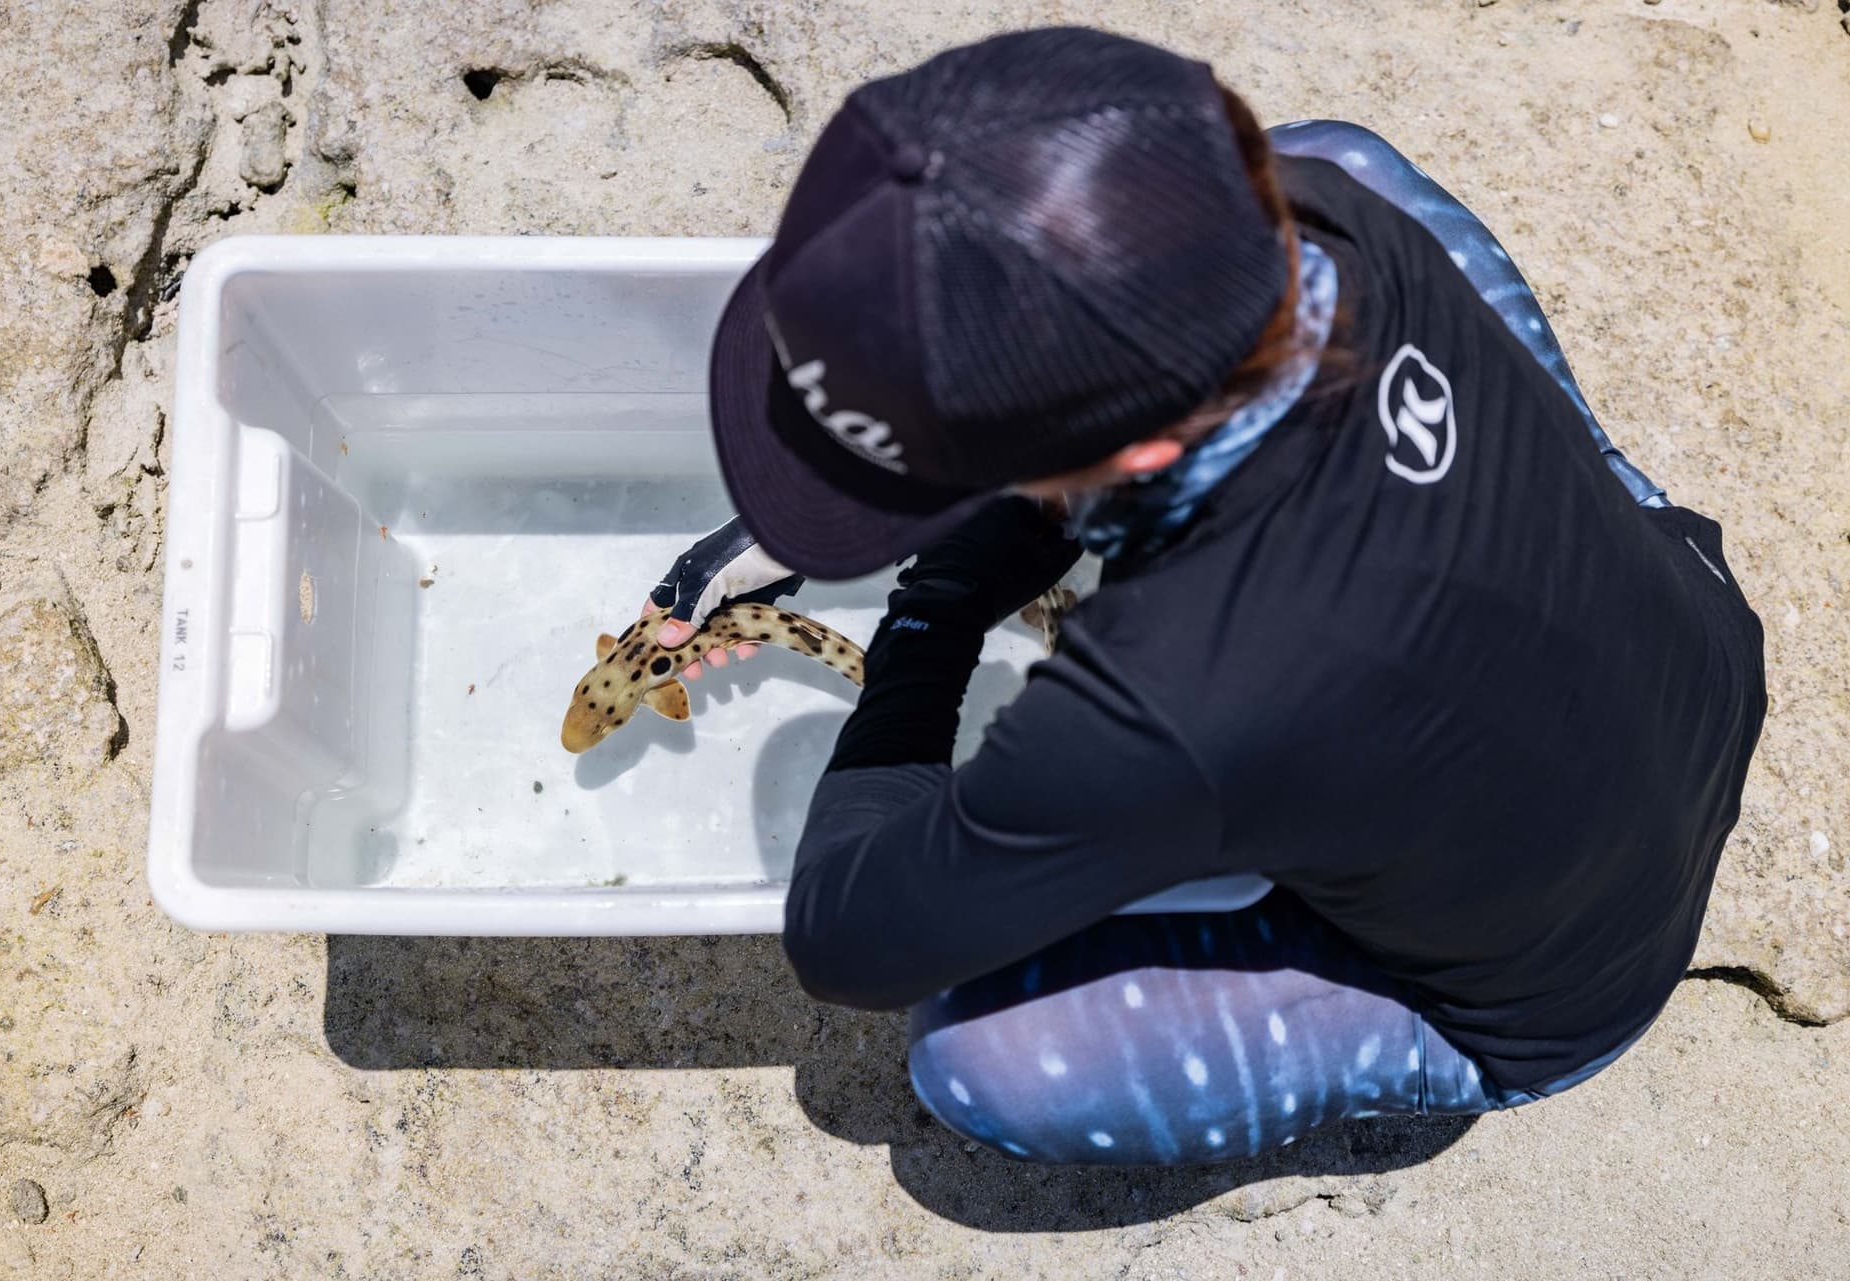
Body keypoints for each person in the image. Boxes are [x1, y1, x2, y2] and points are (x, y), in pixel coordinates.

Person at [639, 27, 1766, 1165]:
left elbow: (848, 940)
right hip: (1696, 645)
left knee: (979, 1062)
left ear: (1124, 457)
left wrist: (928, 616)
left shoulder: (1166, 703)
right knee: (1339, 147)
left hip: (1562, 991)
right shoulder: (1323, 217)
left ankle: (1453, 1050)